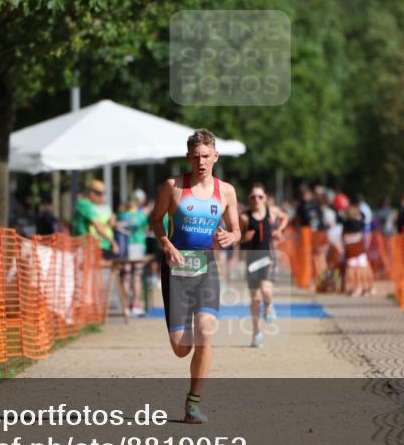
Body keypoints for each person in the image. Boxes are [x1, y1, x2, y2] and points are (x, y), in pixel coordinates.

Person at [149, 129, 240, 424]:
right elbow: (155, 220)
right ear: (188, 157)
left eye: (206, 156)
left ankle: (193, 404)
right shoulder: (173, 187)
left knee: (206, 331)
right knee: (181, 348)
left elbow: (236, 229)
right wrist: (167, 244)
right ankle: (182, 331)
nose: (201, 162)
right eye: (196, 156)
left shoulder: (226, 191)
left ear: (216, 156)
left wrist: (232, 237)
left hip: (206, 267)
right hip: (175, 269)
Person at [240, 183, 289, 348]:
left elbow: (285, 217)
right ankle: (256, 332)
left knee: (266, 290)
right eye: (253, 197)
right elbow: (237, 236)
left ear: (265, 198)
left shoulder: (272, 212)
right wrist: (244, 238)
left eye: (260, 196)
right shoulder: (245, 217)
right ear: (249, 199)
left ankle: (269, 305)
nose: (257, 199)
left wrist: (280, 230)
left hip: (268, 257)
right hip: (251, 259)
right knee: (255, 299)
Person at [117, 195, 149, 317]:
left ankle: (125, 304)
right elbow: (146, 229)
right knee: (137, 276)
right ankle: (136, 304)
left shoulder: (123, 215)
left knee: (126, 275)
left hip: (126, 246)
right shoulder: (141, 216)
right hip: (138, 245)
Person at [72, 179, 119, 258]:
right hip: (84, 246)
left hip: (85, 245)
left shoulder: (84, 204)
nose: (102, 197)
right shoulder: (85, 205)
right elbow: (98, 227)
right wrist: (113, 242)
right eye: (100, 194)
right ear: (92, 193)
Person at [342, 204, 374, 297]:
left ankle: (354, 287)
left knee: (352, 269)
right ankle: (367, 287)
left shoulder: (345, 224)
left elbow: (343, 237)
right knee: (364, 268)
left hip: (351, 249)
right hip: (359, 249)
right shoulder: (360, 223)